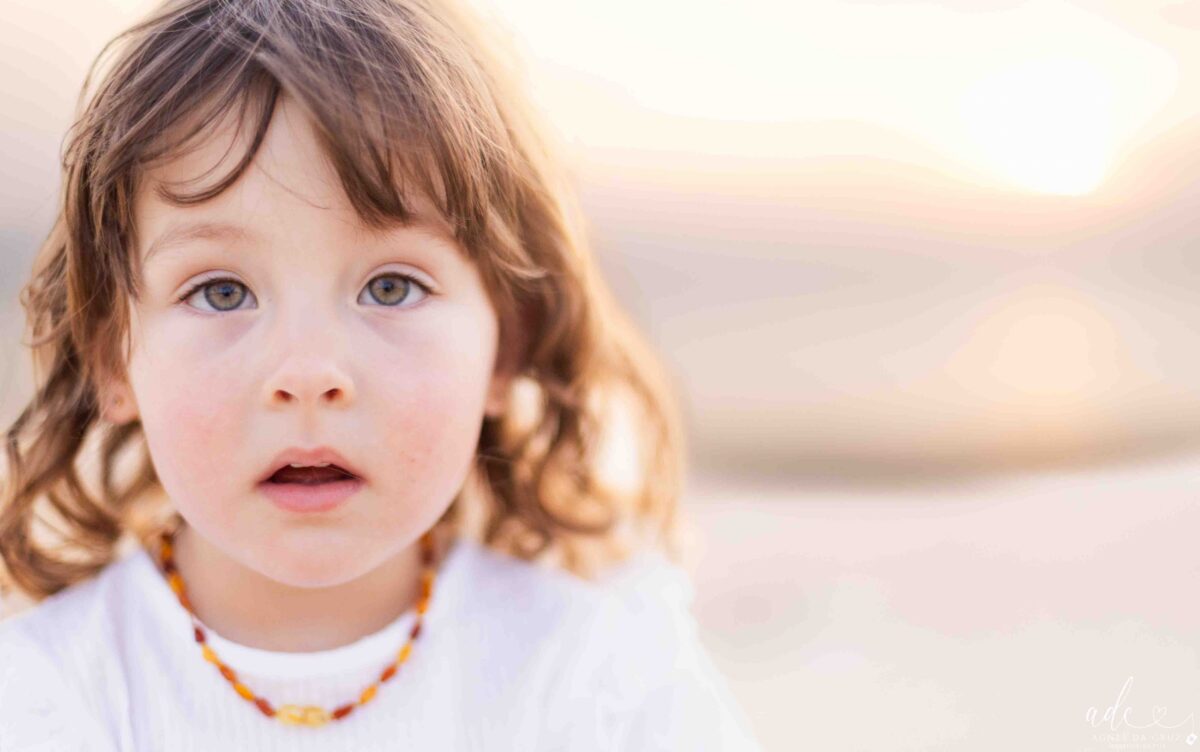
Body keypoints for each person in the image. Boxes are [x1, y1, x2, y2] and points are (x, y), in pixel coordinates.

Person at [0, 0, 763, 749]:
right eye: (221, 292)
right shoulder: (49, 691)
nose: (307, 375)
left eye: (390, 287)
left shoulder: (599, 677)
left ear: (507, 342)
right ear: (111, 354)